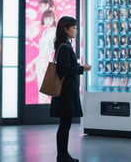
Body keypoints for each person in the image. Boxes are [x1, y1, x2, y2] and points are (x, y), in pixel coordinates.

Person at [50, 16, 91, 162]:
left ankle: (63, 154)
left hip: (66, 92)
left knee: (65, 124)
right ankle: (62, 155)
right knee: (65, 124)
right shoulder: (64, 47)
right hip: (65, 93)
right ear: (65, 29)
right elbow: (64, 69)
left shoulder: (64, 45)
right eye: (73, 28)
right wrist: (82, 68)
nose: (76, 31)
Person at [26, 10, 57, 103]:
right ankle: (44, 108)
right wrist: (33, 62)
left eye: (50, 18)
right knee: (41, 87)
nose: (48, 21)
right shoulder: (45, 31)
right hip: (41, 61)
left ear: (54, 19)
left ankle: (46, 109)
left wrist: (34, 62)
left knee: (46, 88)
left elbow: (49, 51)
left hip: (47, 61)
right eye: (46, 18)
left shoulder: (53, 31)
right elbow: (42, 52)